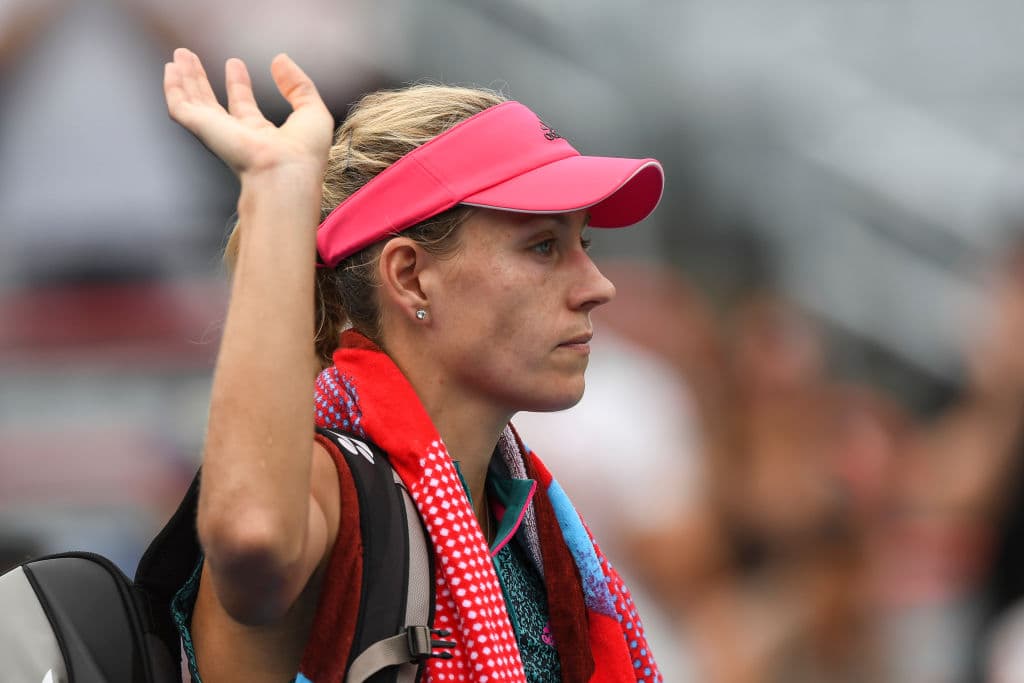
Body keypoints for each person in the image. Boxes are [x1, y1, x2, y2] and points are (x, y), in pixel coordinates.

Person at [161, 47, 665, 682]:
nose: (597, 286)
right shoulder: (326, 491)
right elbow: (252, 536)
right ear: (411, 278)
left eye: (581, 243)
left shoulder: (527, 528)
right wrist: (276, 194)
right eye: (544, 245)